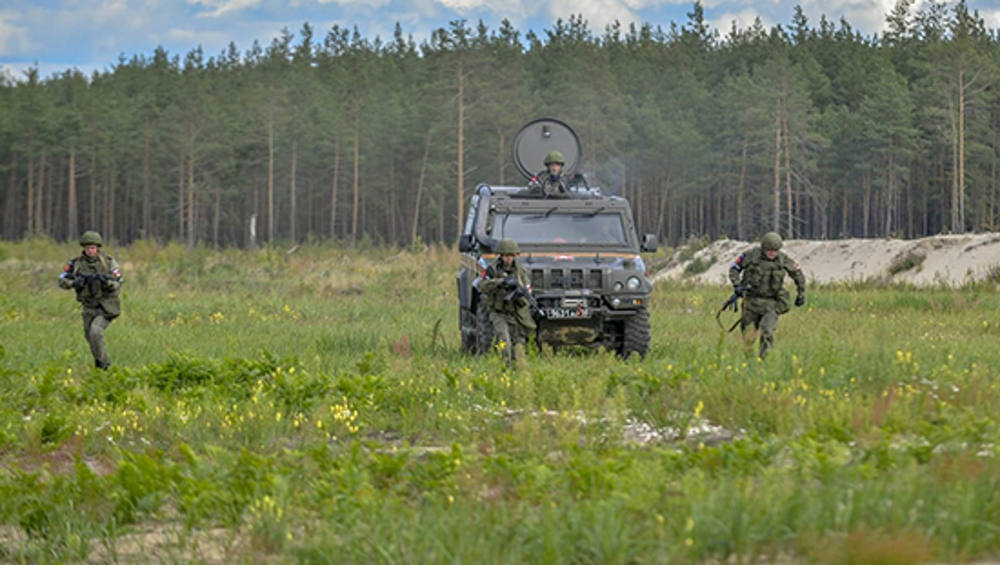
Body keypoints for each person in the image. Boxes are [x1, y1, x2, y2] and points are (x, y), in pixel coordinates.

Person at [728, 231, 805, 359]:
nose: (772, 253)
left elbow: (798, 274)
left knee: (767, 332)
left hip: (772, 303)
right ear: (764, 248)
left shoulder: (783, 259)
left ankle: (763, 361)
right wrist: (737, 286)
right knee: (748, 335)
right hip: (751, 303)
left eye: (775, 250)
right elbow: (734, 268)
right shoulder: (751, 256)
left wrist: (801, 293)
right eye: (769, 250)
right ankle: (748, 361)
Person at [58, 231, 123, 370]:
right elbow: (62, 280)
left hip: (106, 307)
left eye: (93, 248)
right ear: (84, 248)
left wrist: (108, 283)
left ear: (98, 247)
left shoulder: (108, 262)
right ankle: (100, 364)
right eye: (88, 248)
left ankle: (104, 366)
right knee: (90, 338)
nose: (91, 251)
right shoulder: (76, 264)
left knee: (95, 332)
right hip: (88, 306)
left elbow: (119, 281)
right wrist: (75, 283)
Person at [478, 238, 536, 368]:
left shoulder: (521, 272)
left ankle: (518, 371)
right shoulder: (492, 269)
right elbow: (481, 285)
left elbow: (527, 289)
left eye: (511, 255)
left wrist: (520, 292)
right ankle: (506, 369)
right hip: (498, 312)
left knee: (519, 345)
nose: (509, 259)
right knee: (504, 341)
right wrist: (500, 282)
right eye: (506, 256)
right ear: (501, 255)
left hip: (515, 313)